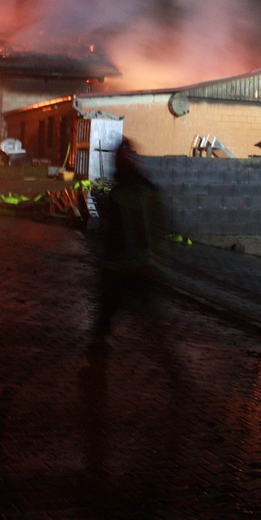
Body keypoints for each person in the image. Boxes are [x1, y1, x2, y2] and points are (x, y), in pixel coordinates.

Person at [90, 138, 168, 357]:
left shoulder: (118, 194)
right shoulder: (150, 188)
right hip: (146, 266)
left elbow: (112, 235)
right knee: (150, 317)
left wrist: (105, 264)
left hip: (119, 267)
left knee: (107, 314)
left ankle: (97, 360)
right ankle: (167, 358)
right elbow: (161, 223)